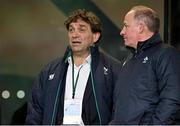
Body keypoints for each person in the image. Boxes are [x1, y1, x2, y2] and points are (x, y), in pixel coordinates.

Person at [25, 9, 121, 125]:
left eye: (81, 29)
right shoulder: (50, 70)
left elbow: (120, 112)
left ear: (95, 36)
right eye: (71, 30)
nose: (75, 35)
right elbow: (35, 111)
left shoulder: (113, 69)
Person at [111, 5, 180, 125]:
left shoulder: (166, 54)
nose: (122, 31)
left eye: (126, 26)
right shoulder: (128, 59)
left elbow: (172, 100)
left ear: (141, 27)